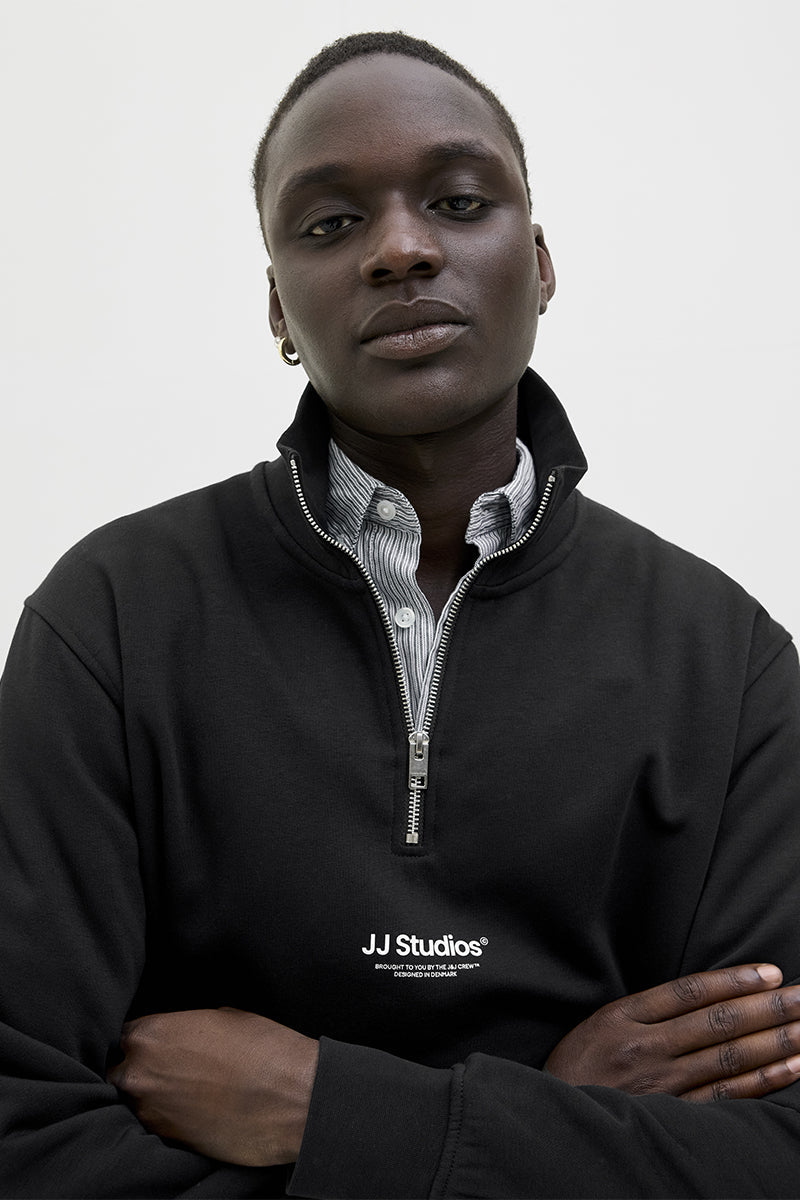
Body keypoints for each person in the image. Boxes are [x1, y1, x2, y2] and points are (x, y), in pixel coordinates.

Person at [2, 29, 800, 1199]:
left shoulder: (723, 661)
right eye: (329, 224)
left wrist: (329, 1110)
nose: (400, 249)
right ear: (278, 310)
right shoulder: (113, 620)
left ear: (539, 264)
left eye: (458, 201)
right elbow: (22, 1132)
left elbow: (774, 1157)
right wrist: (555, 1125)